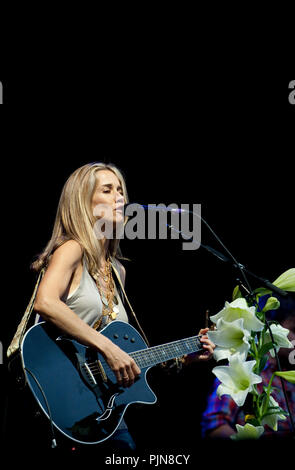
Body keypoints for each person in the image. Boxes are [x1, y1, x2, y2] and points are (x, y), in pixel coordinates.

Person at [27, 162, 215, 451]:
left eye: (121, 191)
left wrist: (186, 356)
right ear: (84, 202)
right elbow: (46, 302)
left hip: (102, 408)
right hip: (61, 396)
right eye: (107, 190)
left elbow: (119, 349)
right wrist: (108, 348)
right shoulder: (72, 248)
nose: (120, 198)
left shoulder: (117, 270)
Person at [201, 293, 295, 439]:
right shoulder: (242, 366)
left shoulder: (287, 376)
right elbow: (214, 425)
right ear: (269, 327)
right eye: (294, 330)